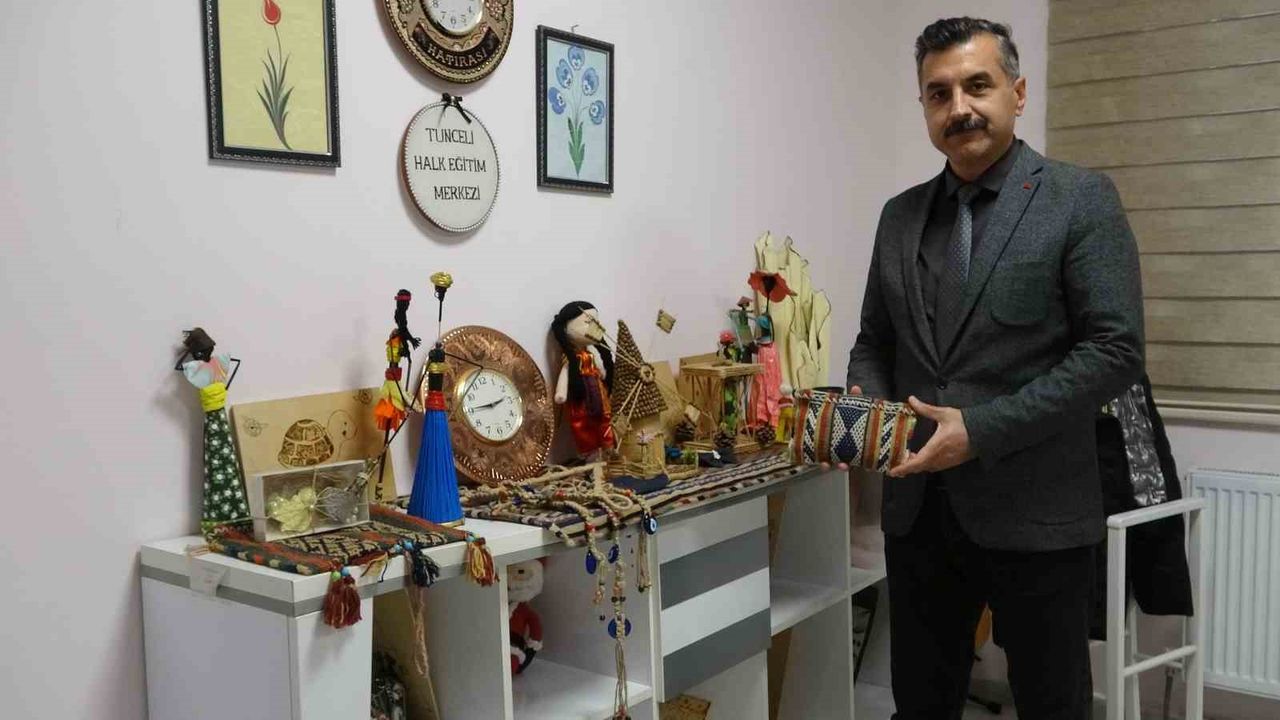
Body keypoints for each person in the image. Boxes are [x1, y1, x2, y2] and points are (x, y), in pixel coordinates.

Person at [846, 17, 1144, 719]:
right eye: (939, 93)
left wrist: (979, 430)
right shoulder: (898, 217)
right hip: (919, 517)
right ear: (924, 106)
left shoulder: (1080, 199)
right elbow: (874, 342)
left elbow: (1114, 351)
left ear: (1017, 91)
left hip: (1038, 515)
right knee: (920, 705)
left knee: (1051, 705)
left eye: (977, 85)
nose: (960, 108)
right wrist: (870, 419)